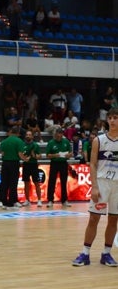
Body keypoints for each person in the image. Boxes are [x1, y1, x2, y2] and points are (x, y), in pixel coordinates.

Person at [72, 108, 118, 267]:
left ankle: (106, 254)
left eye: (116, 118)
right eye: (110, 118)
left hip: (117, 186)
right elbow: (92, 164)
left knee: (113, 220)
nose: (112, 120)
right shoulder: (98, 140)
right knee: (94, 218)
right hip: (102, 183)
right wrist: (95, 187)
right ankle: (85, 253)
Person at [0, 126, 27, 209]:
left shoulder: (4, 141)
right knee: (13, 183)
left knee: (4, 183)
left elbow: (2, 154)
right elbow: (20, 154)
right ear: (18, 133)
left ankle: (1, 201)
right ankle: (12, 201)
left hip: (5, 163)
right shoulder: (19, 141)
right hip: (14, 163)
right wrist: (26, 159)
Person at [45, 127, 72, 208]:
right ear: (55, 135)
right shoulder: (51, 142)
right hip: (54, 163)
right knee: (52, 182)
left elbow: (71, 153)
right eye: (57, 135)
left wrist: (69, 155)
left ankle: (64, 200)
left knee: (64, 182)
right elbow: (47, 155)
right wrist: (55, 155)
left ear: (62, 135)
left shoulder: (66, 141)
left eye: (60, 135)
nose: (59, 137)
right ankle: (50, 200)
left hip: (63, 163)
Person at [21, 130, 43, 207]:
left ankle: (39, 200)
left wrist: (34, 156)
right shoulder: (22, 144)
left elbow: (40, 156)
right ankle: (27, 200)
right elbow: (20, 154)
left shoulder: (36, 145)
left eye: (29, 134)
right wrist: (24, 158)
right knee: (26, 183)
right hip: (26, 165)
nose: (28, 136)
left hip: (34, 165)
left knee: (36, 183)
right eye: (27, 134)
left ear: (32, 136)